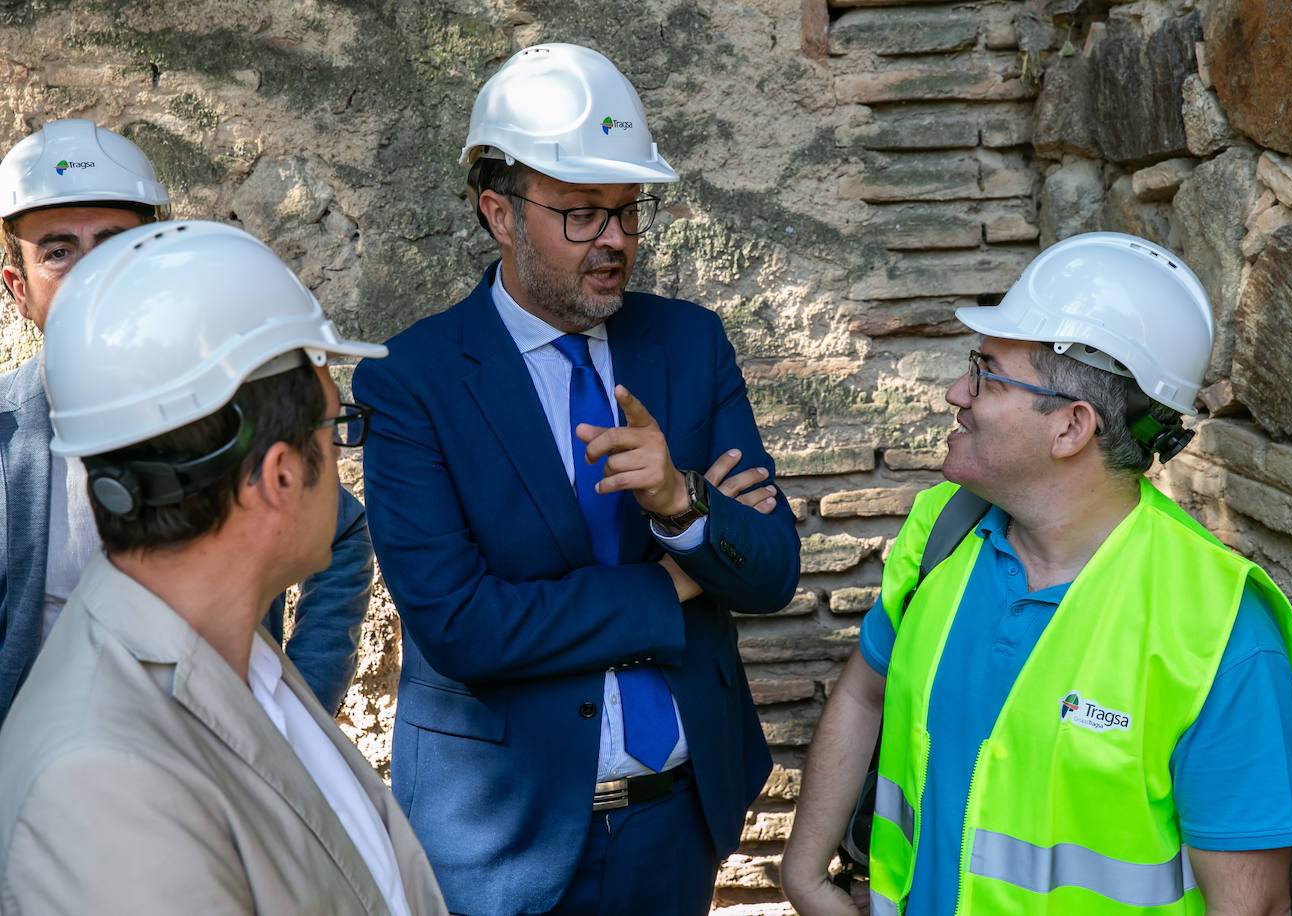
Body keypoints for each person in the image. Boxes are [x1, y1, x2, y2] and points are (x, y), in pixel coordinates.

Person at [352, 42, 802, 916]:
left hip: (680, 823)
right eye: (583, 215)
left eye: (629, 213)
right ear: (499, 213)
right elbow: (461, 627)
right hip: (500, 845)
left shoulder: (689, 344)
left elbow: (774, 568)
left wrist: (682, 504)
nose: (615, 242)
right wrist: (670, 582)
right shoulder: (412, 380)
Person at [781, 232, 1292, 916]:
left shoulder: (1218, 629)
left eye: (988, 373)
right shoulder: (944, 529)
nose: (954, 392)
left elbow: (1252, 908)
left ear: (1071, 427)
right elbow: (865, 694)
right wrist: (804, 874)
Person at [0, 220, 449, 913]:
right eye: (336, 427)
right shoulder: (102, 782)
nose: (342, 456)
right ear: (278, 476)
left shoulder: (247, 659)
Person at [0, 118, 373, 720]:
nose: (94, 272)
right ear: (18, 288)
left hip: (219, 770)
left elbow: (341, 530)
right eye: (59, 251)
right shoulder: (4, 438)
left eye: (115, 242)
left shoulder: (222, 398)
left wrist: (295, 708)